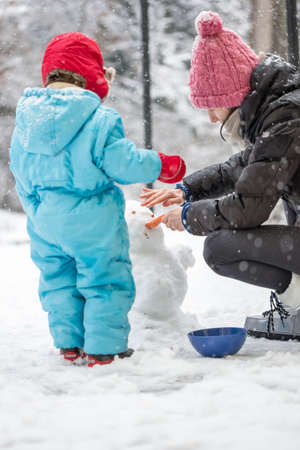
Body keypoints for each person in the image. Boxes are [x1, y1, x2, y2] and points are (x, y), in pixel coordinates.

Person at [10, 32, 186, 366]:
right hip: (93, 221)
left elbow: (21, 176)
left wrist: (38, 211)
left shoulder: (26, 126)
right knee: (104, 280)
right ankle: (104, 349)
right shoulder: (98, 119)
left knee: (59, 283)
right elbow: (123, 164)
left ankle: (69, 345)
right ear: (92, 73)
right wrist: (162, 164)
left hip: (45, 222)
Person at [141, 11, 300, 341]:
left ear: (232, 96)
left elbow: (248, 209)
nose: (213, 119)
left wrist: (187, 217)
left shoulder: (286, 119)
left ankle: (297, 305)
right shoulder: (282, 111)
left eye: (213, 106)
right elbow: (245, 166)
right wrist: (187, 190)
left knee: (221, 247)